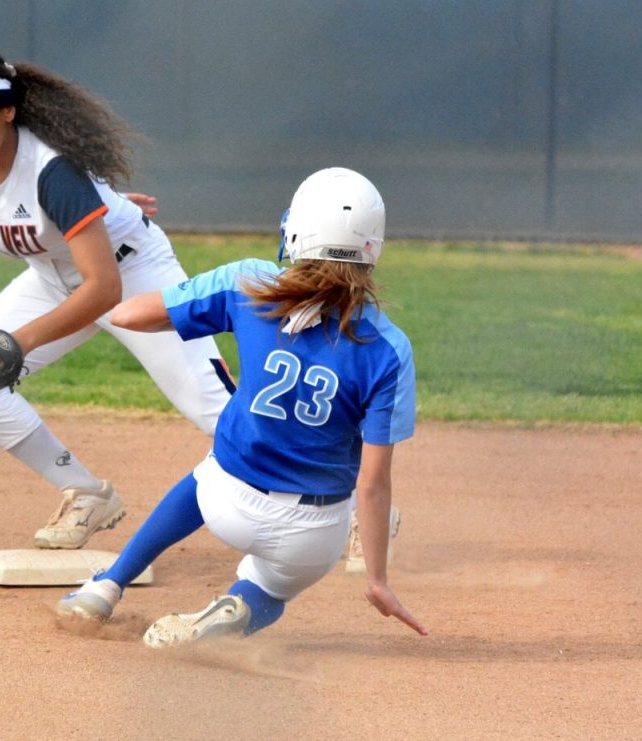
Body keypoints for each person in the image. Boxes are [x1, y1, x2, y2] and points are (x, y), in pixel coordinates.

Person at [56, 167, 428, 647]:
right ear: (372, 248)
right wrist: (377, 580)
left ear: (295, 232)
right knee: (272, 587)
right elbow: (373, 486)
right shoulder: (388, 348)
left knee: (206, 472)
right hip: (311, 535)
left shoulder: (248, 282)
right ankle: (238, 605)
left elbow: (128, 314)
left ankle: (105, 587)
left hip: (225, 500)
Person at [0, 49, 235, 549]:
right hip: (53, 276)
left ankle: (343, 502)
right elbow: (17, 212)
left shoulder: (52, 174)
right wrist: (90, 209)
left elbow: (104, 289)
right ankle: (87, 494)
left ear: (8, 110)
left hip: (131, 274)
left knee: (216, 411)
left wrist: (16, 342)